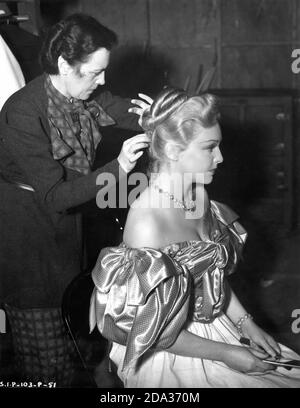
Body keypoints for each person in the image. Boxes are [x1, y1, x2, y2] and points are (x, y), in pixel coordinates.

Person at [89, 87, 300, 388]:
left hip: (214, 326)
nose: (221, 157)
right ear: (174, 150)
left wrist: (246, 323)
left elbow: (211, 278)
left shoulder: (197, 194)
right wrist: (227, 353)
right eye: (209, 147)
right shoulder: (147, 221)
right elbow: (150, 330)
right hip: (166, 351)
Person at [0, 13, 152, 309]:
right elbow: (55, 196)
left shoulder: (76, 95)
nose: (103, 80)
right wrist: (119, 167)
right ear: (64, 65)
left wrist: (157, 114)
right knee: (44, 324)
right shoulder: (22, 114)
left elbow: (121, 108)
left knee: (73, 310)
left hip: (66, 223)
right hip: (30, 233)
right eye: (95, 72)